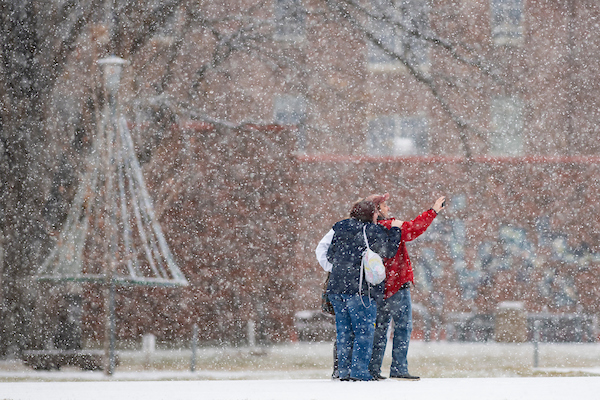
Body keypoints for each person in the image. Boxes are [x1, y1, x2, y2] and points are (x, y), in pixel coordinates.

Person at [321, 199, 402, 381]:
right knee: (364, 331)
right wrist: (396, 229)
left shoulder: (340, 227)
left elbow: (330, 254)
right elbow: (389, 250)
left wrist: (343, 266)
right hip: (359, 290)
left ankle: (344, 371)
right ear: (370, 214)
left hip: (336, 289)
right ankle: (359, 372)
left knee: (344, 332)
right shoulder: (372, 230)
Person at [367, 193, 445, 381]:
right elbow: (415, 228)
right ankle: (399, 368)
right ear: (377, 210)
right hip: (396, 286)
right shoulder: (390, 226)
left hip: (378, 287)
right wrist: (433, 211)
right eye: (385, 206)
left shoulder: (368, 229)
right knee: (403, 327)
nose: (388, 208)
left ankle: (374, 369)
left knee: (380, 329)